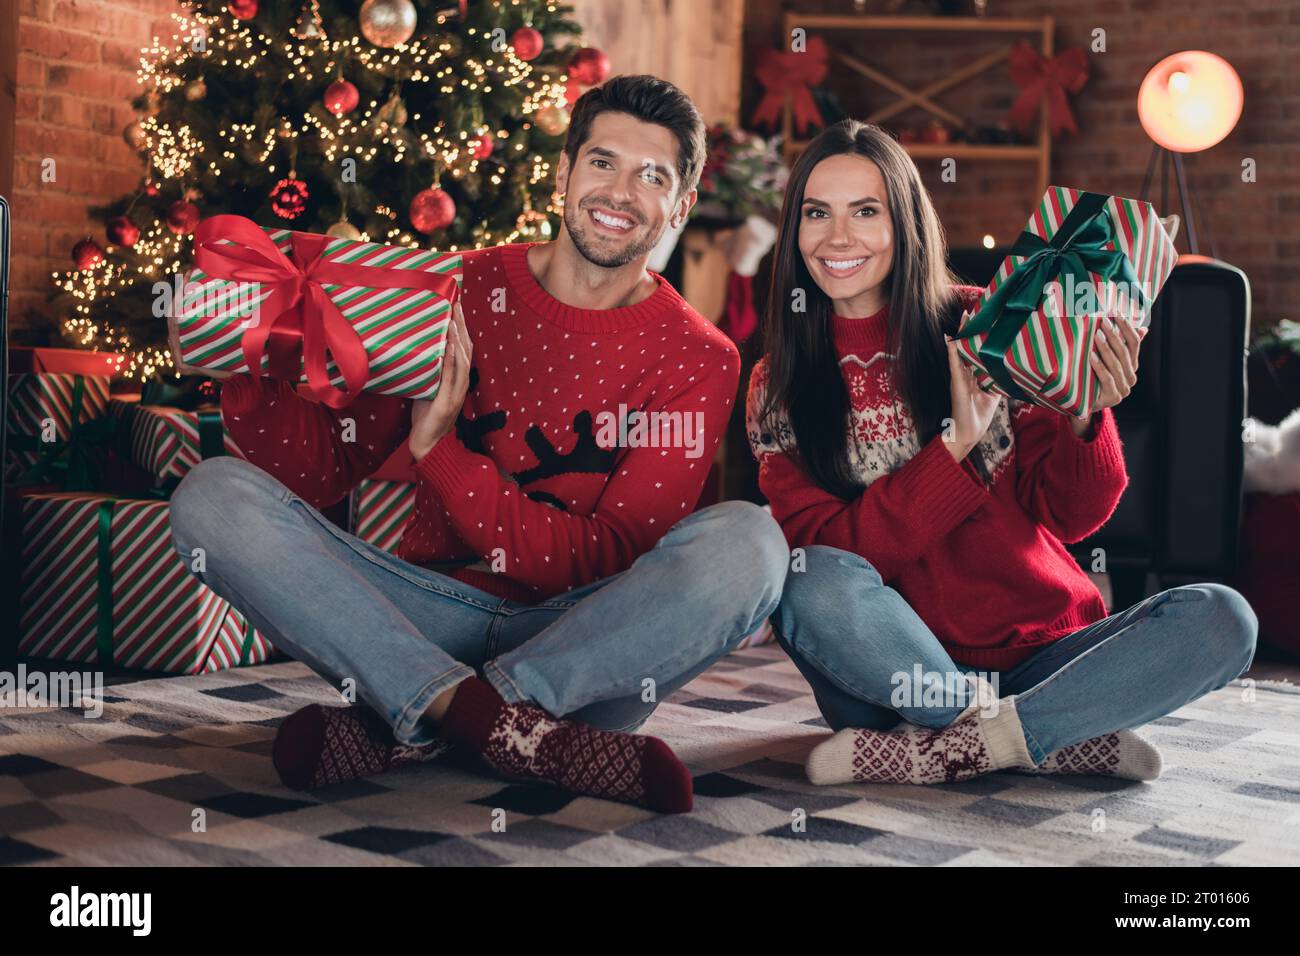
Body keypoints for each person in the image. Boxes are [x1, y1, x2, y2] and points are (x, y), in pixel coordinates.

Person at [168, 75, 788, 814]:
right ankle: (500, 727)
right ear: (562, 173)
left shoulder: (700, 356)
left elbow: (614, 559)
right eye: (602, 162)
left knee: (752, 542)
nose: (620, 191)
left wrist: (443, 455)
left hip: (584, 644)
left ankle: (420, 718)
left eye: (652, 175)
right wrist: (251, 364)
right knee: (212, 495)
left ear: (680, 206)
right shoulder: (458, 287)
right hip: (426, 612)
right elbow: (324, 471)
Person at [746, 119, 1257, 787]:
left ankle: (959, 746)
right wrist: (956, 444)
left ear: (905, 225)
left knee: (1224, 617)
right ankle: (1051, 732)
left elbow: (1070, 518)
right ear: (795, 230)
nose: (838, 237)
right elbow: (837, 560)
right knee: (807, 578)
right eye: (818, 213)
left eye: (866, 211)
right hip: (898, 672)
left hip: (1044, 649)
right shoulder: (774, 386)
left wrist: (1084, 409)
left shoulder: (992, 318)